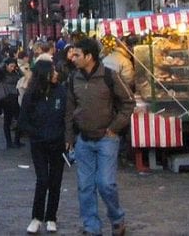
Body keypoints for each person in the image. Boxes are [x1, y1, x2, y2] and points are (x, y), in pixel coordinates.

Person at [65, 37, 134, 236]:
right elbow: (69, 110)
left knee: (106, 183)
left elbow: (128, 103)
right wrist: (69, 138)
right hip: (83, 140)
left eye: (77, 54)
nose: (73, 58)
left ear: (89, 57)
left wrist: (115, 127)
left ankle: (117, 218)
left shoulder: (109, 76)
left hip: (106, 138)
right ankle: (91, 227)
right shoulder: (73, 78)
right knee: (85, 186)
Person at [19, 60, 67, 234]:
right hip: (39, 143)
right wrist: (36, 133)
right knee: (42, 179)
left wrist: (65, 135)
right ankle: (36, 217)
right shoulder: (31, 95)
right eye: (52, 71)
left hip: (58, 142)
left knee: (56, 181)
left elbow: (67, 115)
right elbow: (23, 120)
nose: (55, 74)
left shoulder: (61, 91)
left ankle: (51, 217)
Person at [0, 58, 22, 148]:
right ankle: (9, 142)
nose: (12, 68)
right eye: (11, 66)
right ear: (6, 66)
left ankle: (16, 140)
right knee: (7, 120)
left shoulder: (15, 73)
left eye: (13, 66)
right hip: (7, 98)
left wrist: (17, 69)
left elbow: (22, 75)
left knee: (19, 119)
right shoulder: (2, 73)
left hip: (14, 97)